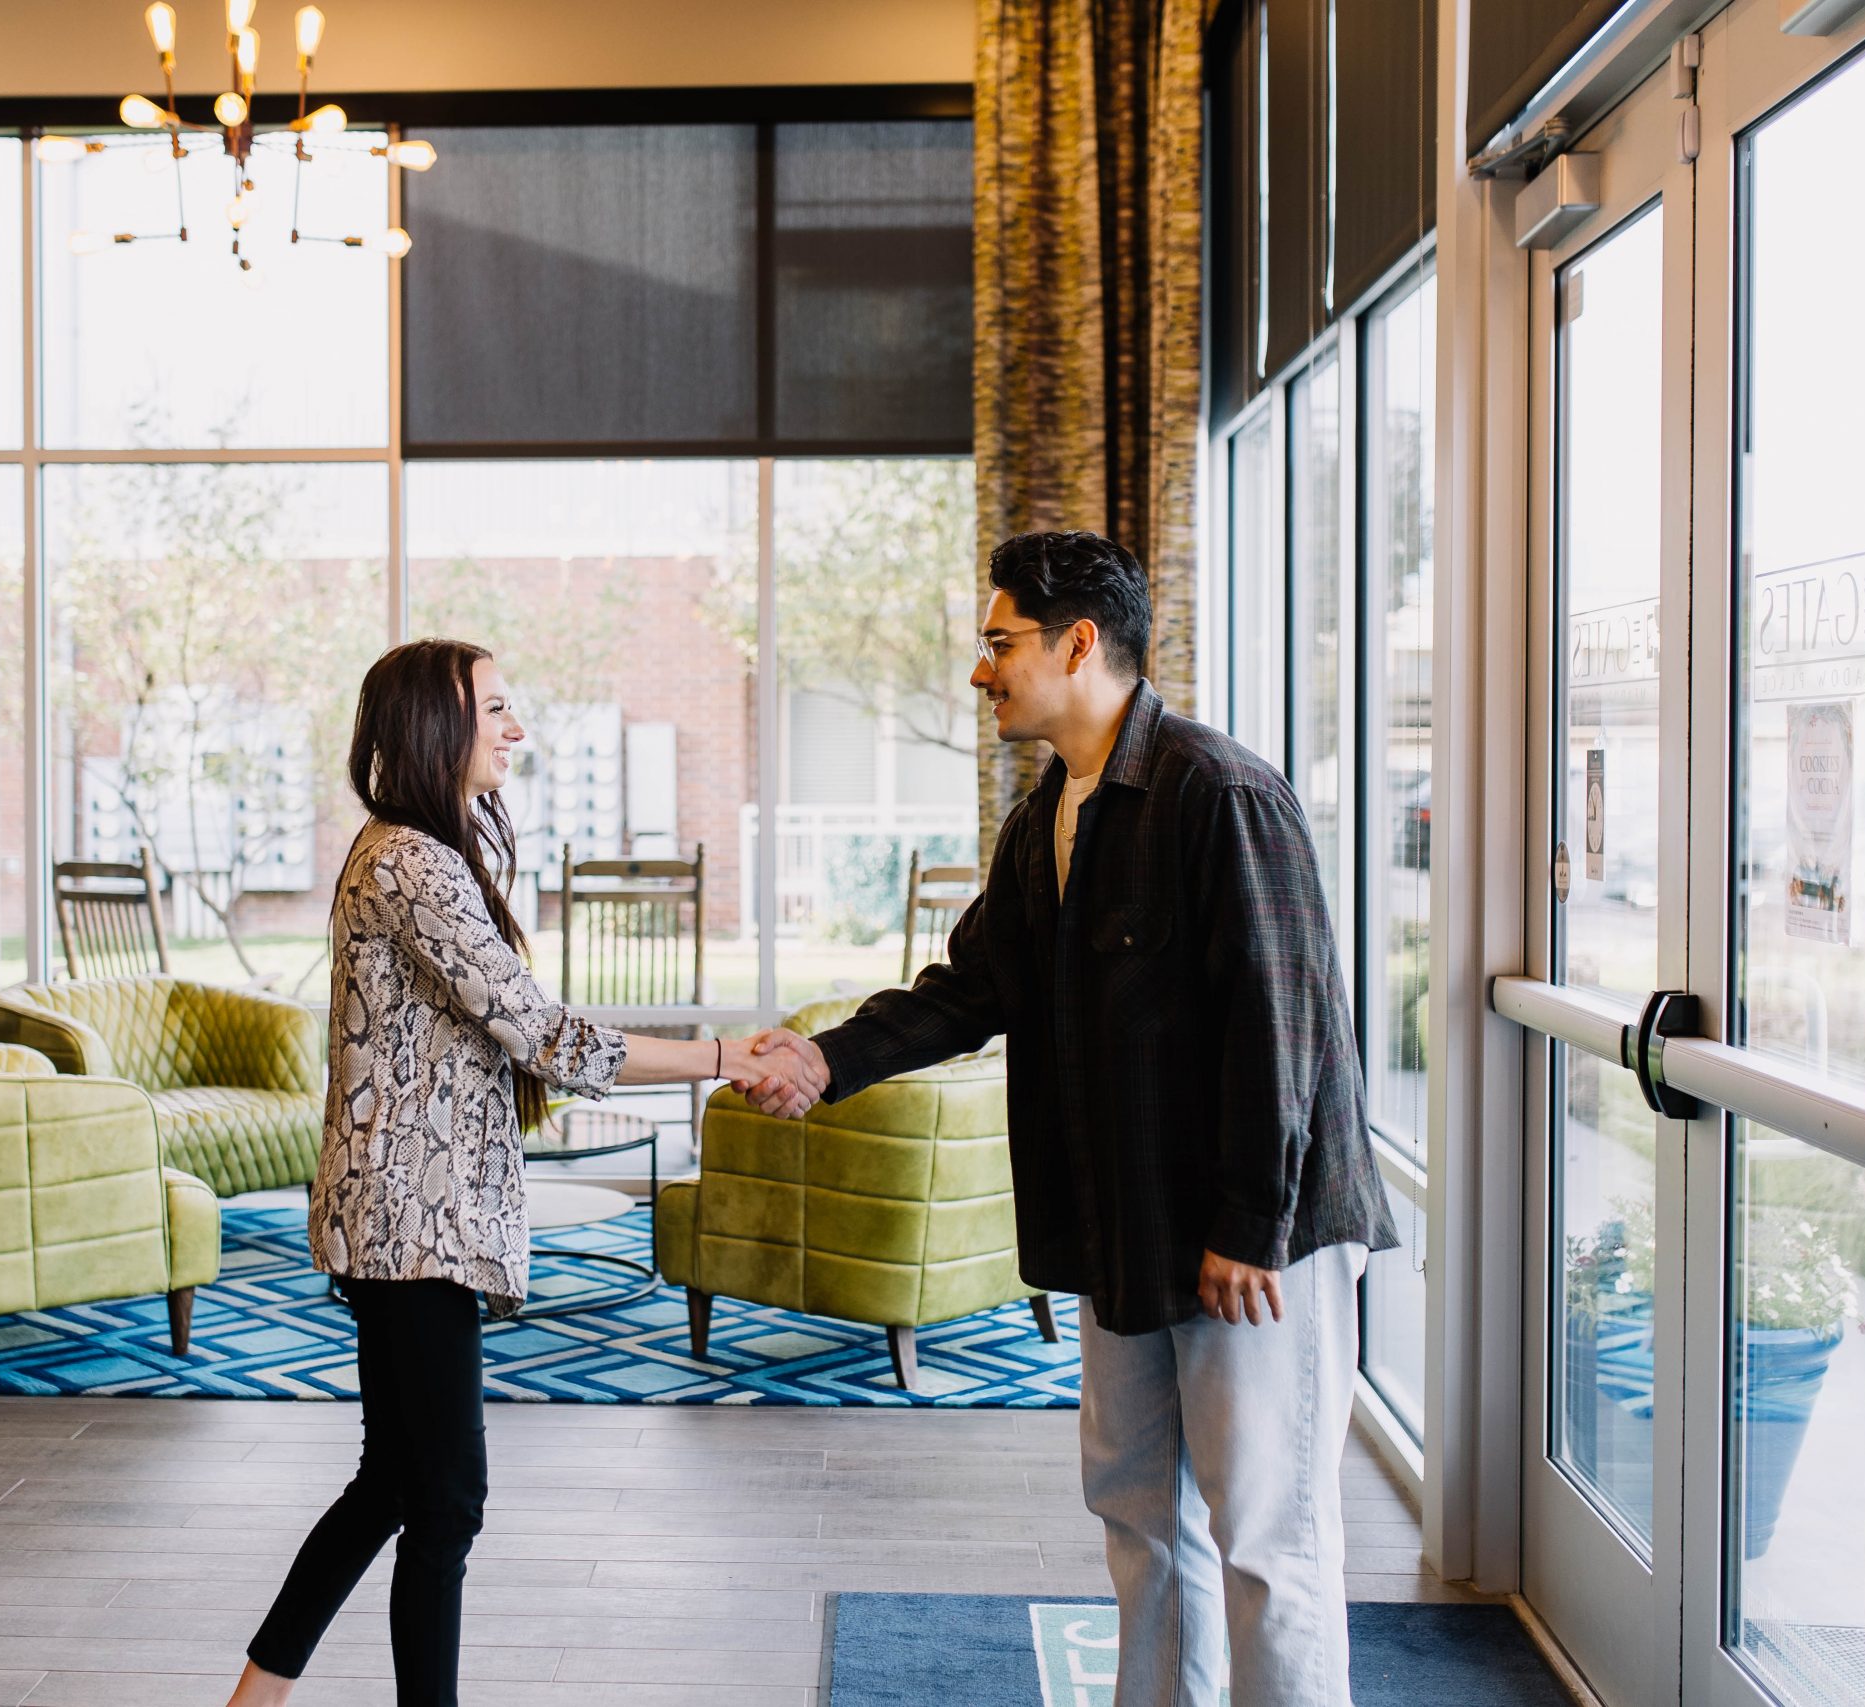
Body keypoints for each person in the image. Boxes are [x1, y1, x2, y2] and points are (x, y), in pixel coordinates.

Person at [745, 532, 1399, 1707]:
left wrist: (1249, 1224)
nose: (981, 671)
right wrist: (822, 1060)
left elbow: (1285, 1027)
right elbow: (973, 988)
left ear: (1078, 643)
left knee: (1266, 1542)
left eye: (999, 644)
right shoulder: (1047, 816)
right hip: (1123, 1232)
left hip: (1253, 1244)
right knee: (1140, 1519)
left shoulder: (1221, 794)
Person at [225, 637, 801, 1707]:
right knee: (444, 1499)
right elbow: (544, 1035)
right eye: (495, 707)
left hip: (403, 1213)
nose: (516, 728)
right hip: (413, 1221)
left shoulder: (401, 852)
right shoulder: (410, 863)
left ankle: (256, 1696)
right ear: (434, 727)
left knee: (396, 1482)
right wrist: (728, 1057)